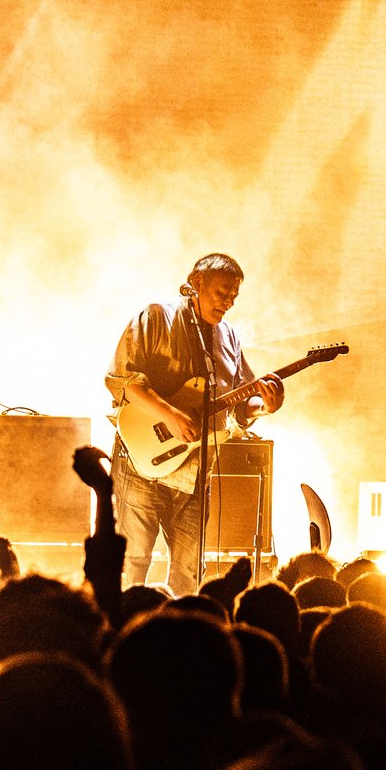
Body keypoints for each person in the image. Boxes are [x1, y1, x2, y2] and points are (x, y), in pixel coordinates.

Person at [104, 253, 282, 590]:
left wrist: (264, 408)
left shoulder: (228, 337)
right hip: (142, 466)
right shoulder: (156, 316)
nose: (228, 302)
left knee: (189, 573)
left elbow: (241, 406)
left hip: (196, 472)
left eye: (234, 296)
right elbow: (121, 378)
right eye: (222, 292)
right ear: (196, 283)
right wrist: (169, 414)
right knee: (132, 565)